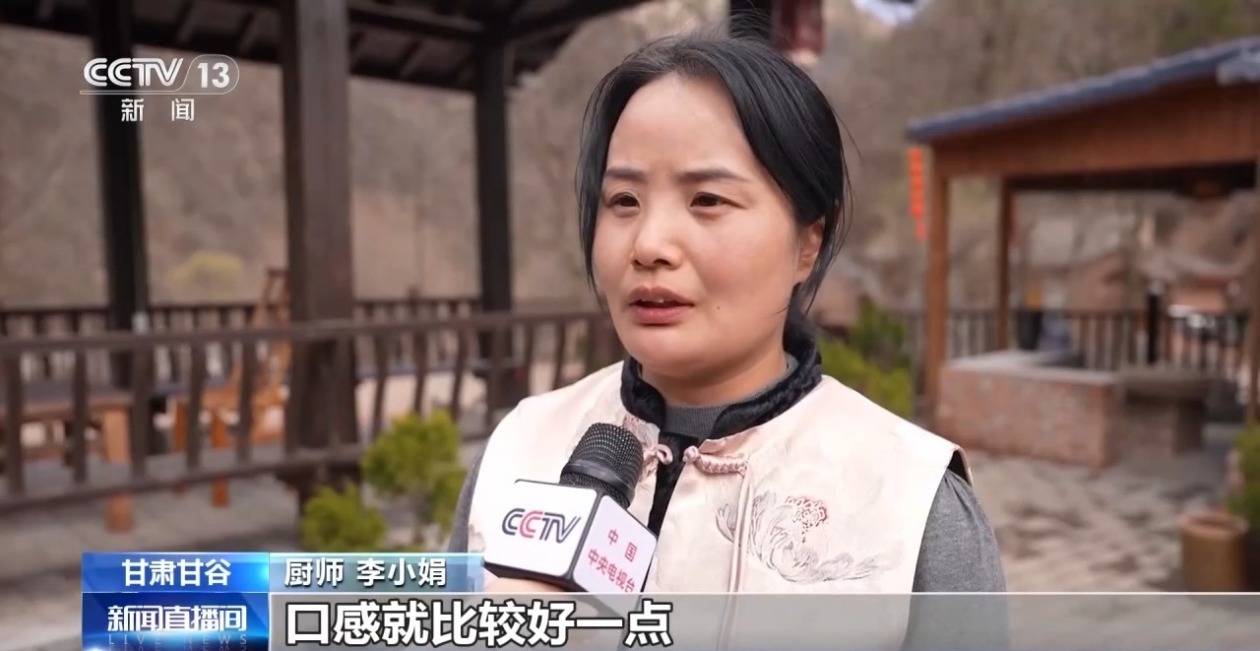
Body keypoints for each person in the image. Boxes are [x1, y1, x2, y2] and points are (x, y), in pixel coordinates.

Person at [448, 32, 1004, 594]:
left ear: (808, 243)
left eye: (707, 200)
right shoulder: (517, 450)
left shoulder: (912, 504)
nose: (649, 245)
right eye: (624, 201)